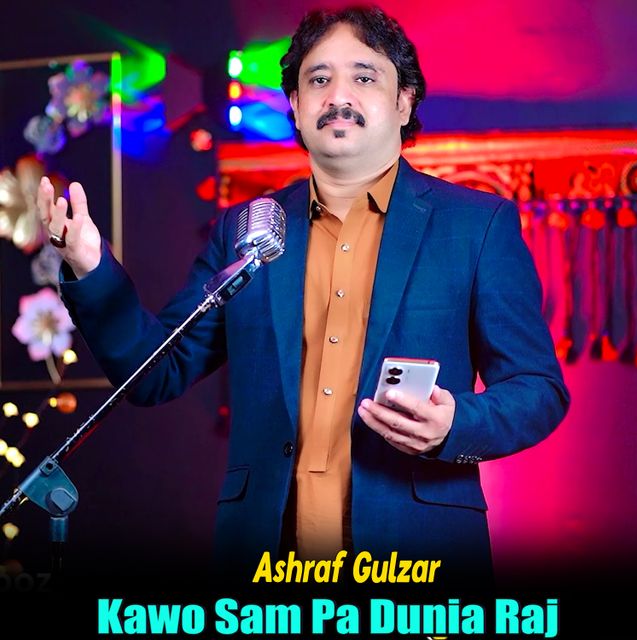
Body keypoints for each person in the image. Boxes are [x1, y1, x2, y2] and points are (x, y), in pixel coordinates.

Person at [37, 6, 569, 586]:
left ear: (404, 101)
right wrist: (89, 265)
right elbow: (153, 373)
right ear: (294, 104)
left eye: (364, 77)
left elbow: (537, 389)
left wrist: (454, 425)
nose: (338, 96)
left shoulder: (476, 225)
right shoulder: (246, 229)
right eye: (318, 79)